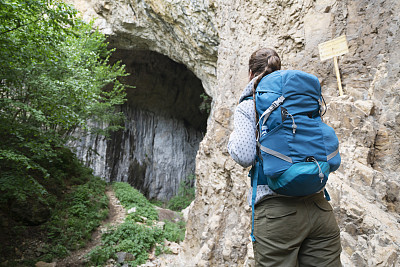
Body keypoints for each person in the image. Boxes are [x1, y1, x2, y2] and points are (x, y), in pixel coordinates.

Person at [227, 48, 342, 267]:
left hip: (277, 214)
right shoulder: (302, 101)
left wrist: (231, 140)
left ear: (251, 74)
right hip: (319, 208)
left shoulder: (249, 105)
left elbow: (244, 155)